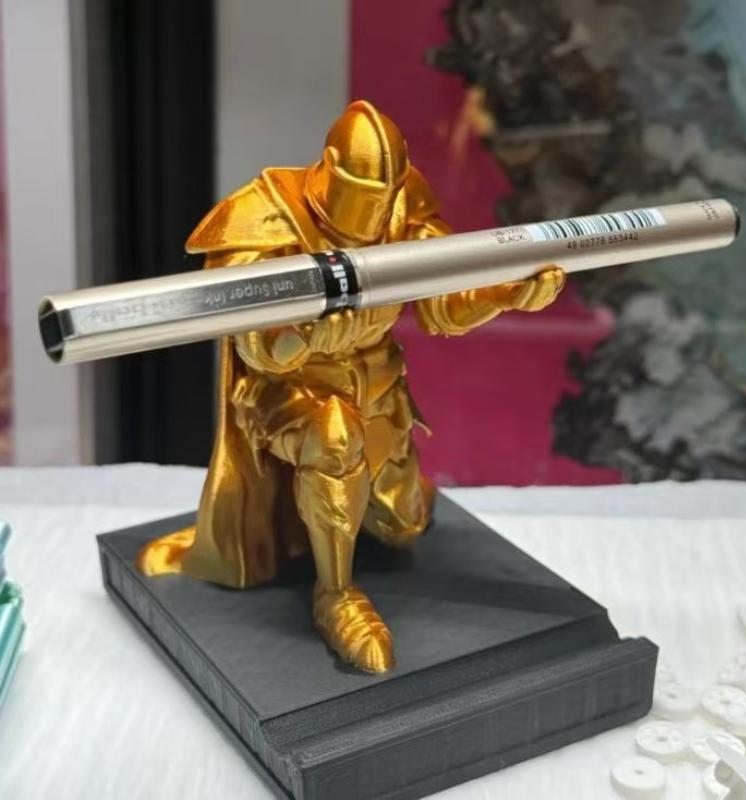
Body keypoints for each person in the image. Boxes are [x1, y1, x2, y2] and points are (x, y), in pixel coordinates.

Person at [137, 100, 565, 672]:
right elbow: (253, 340)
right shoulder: (265, 217)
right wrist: (307, 336)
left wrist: (504, 292)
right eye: (363, 196)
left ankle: (369, 501)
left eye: (384, 198)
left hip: (378, 386)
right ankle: (335, 595)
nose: (374, 216)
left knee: (403, 525)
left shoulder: (404, 207)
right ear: (331, 171)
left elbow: (444, 302)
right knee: (334, 438)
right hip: (288, 393)